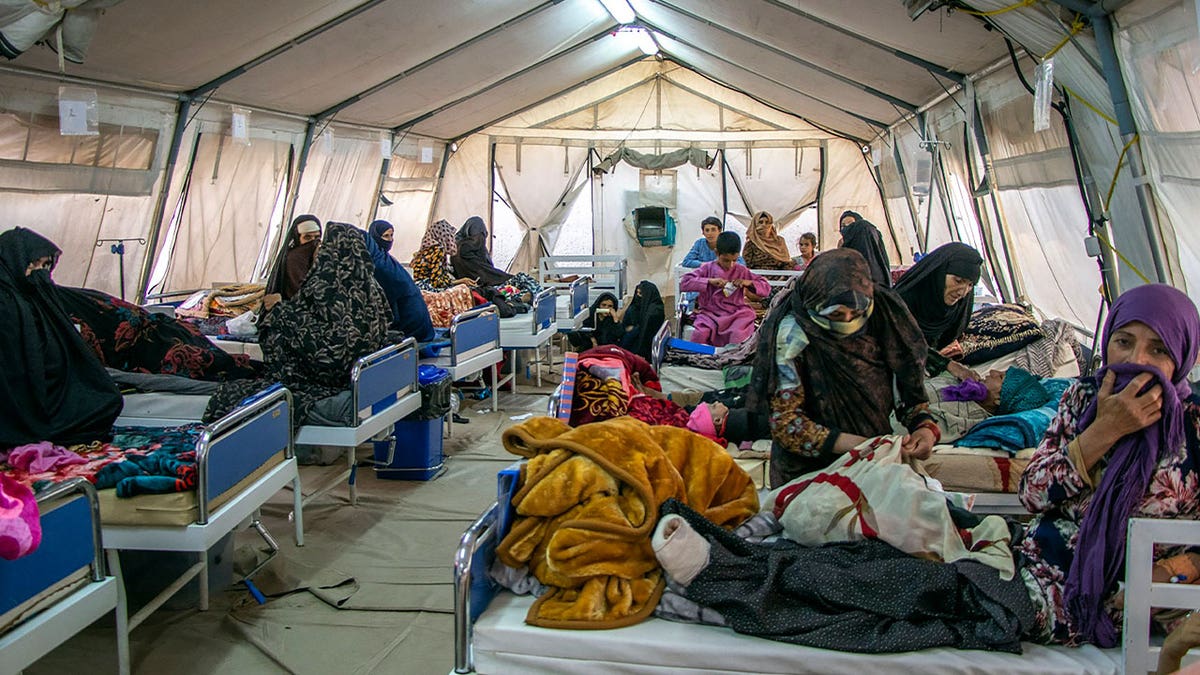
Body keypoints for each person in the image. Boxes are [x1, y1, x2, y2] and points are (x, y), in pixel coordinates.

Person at [1016, 283, 1200, 647]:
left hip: (1141, 604)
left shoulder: (1193, 425)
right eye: (1124, 342)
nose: (1138, 360)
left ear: (1182, 355)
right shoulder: (1083, 399)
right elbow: (1032, 495)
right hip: (1042, 581)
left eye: (1158, 348)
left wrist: (1170, 572)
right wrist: (1106, 430)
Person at [747, 248, 936, 487]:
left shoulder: (883, 316)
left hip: (872, 464)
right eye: (836, 314)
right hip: (809, 474)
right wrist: (861, 446)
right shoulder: (793, 334)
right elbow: (786, 424)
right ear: (814, 305)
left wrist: (924, 427)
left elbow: (908, 389)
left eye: (856, 313)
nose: (847, 321)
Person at [0, 227, 122, 448]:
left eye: (45, 266)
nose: (39, 272)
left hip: (47, 386)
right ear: (14, 259)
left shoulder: (33, 296)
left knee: (106, 400)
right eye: (33, 264)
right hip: (26, 398)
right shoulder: (7, 302)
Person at [679, 232, 770, 347]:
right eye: (726, 260)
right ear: (717, 253)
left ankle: (732, 362)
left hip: (737, 313)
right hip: (710, 314)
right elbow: (685, 283)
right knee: (700, 335)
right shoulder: (707, 268)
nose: (731, 265)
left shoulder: (741, 270)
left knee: (738, 336)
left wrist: (748, 283)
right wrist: (709, 281)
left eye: (735, 260)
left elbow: (765, 288)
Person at [893, 242, 983, 356]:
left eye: (970, 285)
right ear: (939, 273)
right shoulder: (900, 303)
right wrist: (940, 361)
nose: (963, 292)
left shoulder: (958, 312)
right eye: (958, 281)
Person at [363, 219, 434, 342]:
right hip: (419, 322)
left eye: (391, 235)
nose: (390, 240)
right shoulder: (384, 259)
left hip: (411, 325)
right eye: (386, 236)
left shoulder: (379, 263)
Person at [265, 214, 322, 300]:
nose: (313, 242)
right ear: (297, 238)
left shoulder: (321, 256)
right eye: (307, 237)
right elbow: (301, 293)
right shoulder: (294, 259)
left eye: (317, 237)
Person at [411, 219, 473, 291]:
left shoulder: (427, 248)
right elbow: (437, 282)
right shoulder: (438, 249)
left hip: (418, 286)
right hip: (427, 287)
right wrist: (461, 281)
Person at [451, 216, 512, 287]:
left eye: (482, 236)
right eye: (476, 236)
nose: (479, 240)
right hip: (473, 284)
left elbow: (486, 269)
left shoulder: (464, 246)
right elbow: (483, 273)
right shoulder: (463, 249)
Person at [837, 210, 892, 288]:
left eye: (850, 224)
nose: (846, 228)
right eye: (843, 226)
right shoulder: (842, 248)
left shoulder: (865, 233)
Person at [620, 281, 666, 361]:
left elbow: (648, 332)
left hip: (647, 349)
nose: (638, 296)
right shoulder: (633, 308)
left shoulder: (655, 310)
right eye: (637, 293)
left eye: (641, 293)